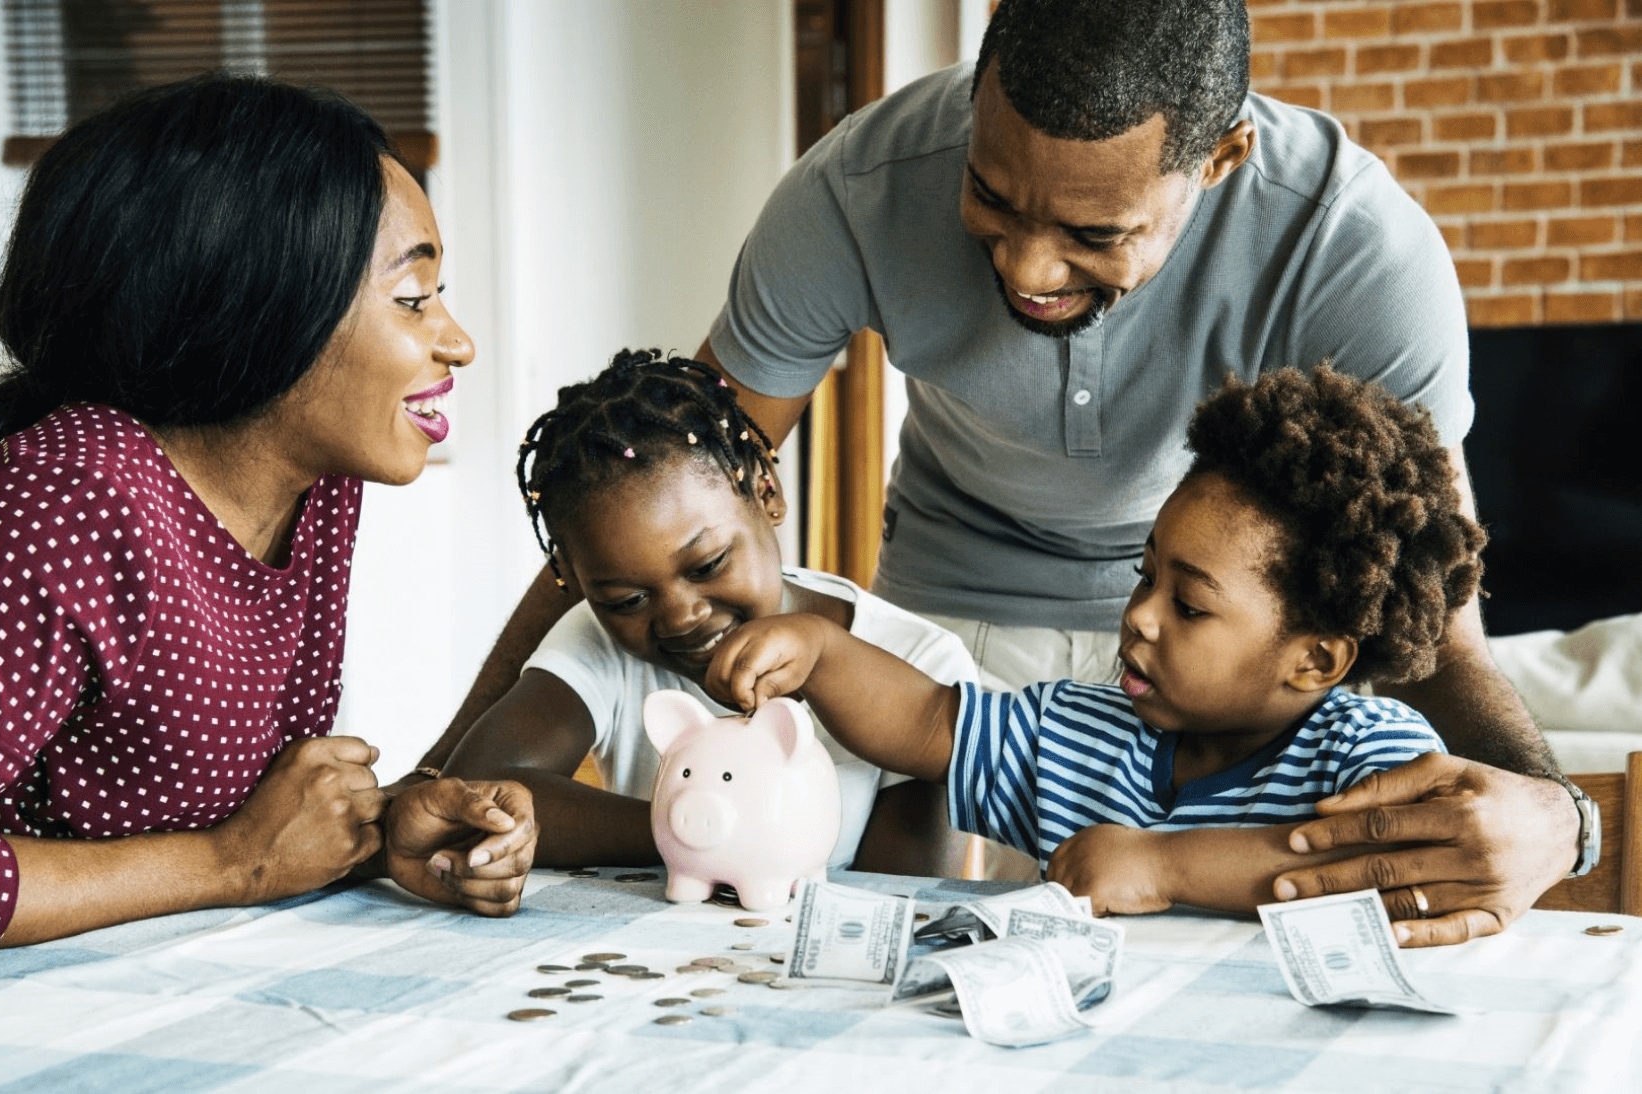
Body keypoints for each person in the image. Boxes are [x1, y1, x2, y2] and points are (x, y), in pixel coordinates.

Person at [422, 0, 1587, 945]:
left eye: (1094, 232)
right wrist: (431, 779)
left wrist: (1558, 815)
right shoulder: (853, 191)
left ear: (1221, 156)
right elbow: (657, 483)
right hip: (951, 628)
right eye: (990, 195)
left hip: (1235, 638)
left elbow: (1441, 631)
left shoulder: (1354, 250)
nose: (1027, 266)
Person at [0, 76, 536, 993]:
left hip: (129, 993)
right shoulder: (69, 496)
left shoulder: (314, 493)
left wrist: (378, 828)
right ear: (266, 303)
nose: (457, 341)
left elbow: (223, 823)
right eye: (412, 297)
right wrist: (234, 863)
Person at [707, 367, 1478, 931]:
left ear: (1314, 660)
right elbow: (927, 723)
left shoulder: (1374, 756)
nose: (1140, 617)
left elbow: (1386, 871)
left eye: (1189, 606)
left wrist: (1162, 865)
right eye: (1146, 578)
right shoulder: (1077, 733)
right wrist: (821, 653)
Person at [436, 349, 976, 875]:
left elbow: (905, 894)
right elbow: (470, 793)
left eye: (708, 564)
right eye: (627, 600)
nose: (679, 617)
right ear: (578, 583)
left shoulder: (920, 661)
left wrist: (713, 829)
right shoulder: (598, 636)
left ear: (767, 492)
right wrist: (685, 827)